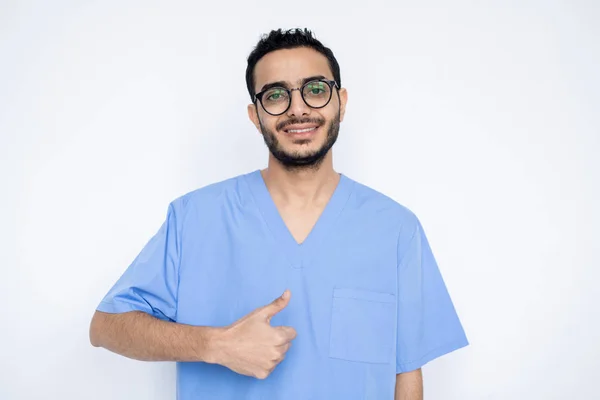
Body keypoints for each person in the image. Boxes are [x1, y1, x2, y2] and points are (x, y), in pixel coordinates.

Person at [89, 28, 468, 400]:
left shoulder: (395, 229)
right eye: (276, 95)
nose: (298, 108)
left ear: (342, 102)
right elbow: (106, 326)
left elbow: (407, 373)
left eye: (316, 90)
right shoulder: (195, 218)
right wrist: (215, 345)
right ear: (256, 116)